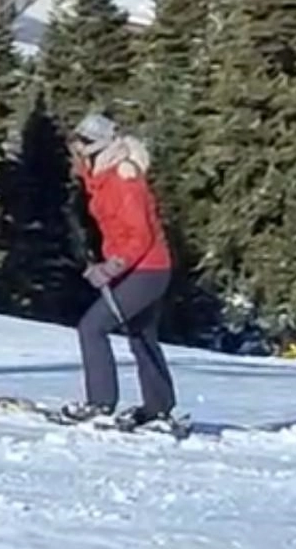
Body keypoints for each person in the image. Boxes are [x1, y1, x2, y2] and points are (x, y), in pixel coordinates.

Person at [62, 112, 177, 428]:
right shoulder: (102, 178)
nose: (75, 154)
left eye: (79, 146)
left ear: (95, 147)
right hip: (142, 268)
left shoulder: (122, 179)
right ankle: (158, 408)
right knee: (141, 334)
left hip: (147, 269)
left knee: (92, 328)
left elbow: (140, 235)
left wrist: (110, 268)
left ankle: (100, 403)